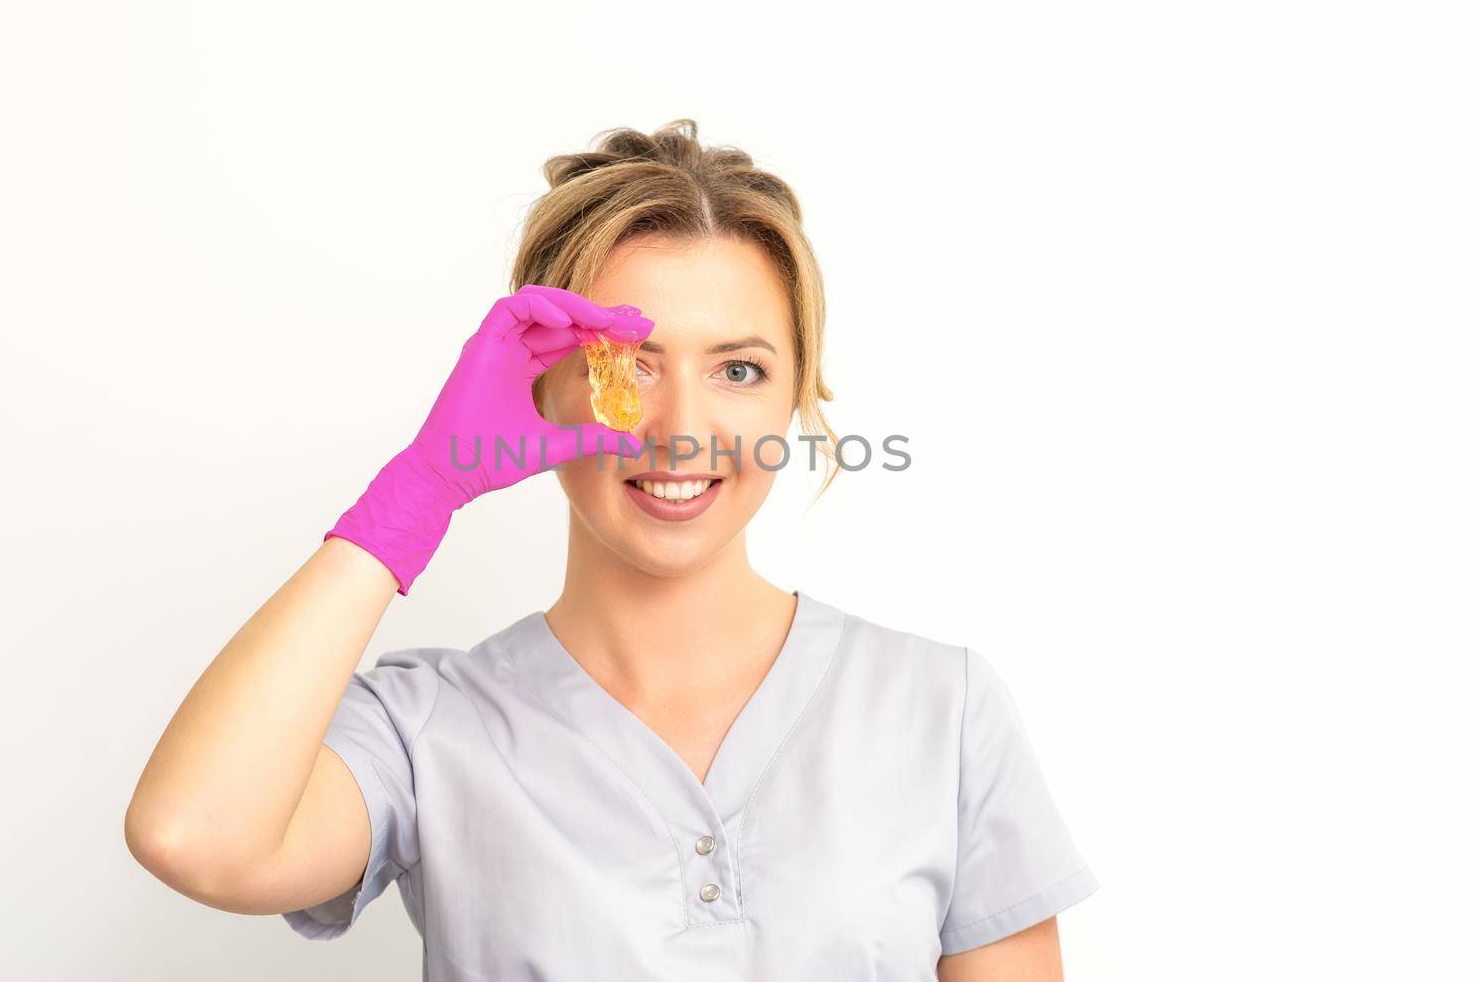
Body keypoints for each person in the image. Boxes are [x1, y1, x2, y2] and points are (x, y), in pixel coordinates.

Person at [124, 120, 1098, 981]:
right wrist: (419, 489)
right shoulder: (425, 731)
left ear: (797, 396)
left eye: (739, 368)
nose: (680, 427)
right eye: (625, 364)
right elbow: (196, 838)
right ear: (534, 388)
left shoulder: (941, 710)